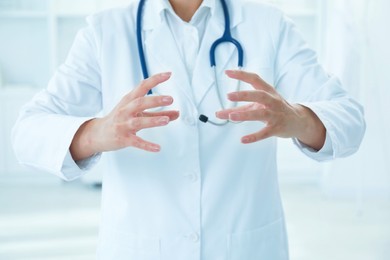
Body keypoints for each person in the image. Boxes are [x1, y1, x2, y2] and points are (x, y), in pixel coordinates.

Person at [12, 0, 365, 259]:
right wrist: (97, 133)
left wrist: (297, 119)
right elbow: (27, 132)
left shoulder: (269, 26)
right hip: (141, 249)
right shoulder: (105, 31)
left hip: (245, 248)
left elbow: (349, 119)